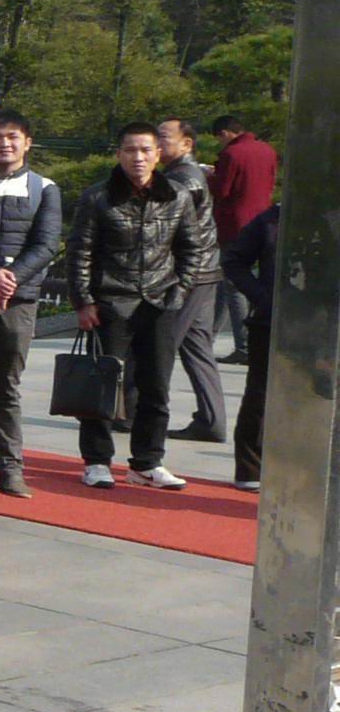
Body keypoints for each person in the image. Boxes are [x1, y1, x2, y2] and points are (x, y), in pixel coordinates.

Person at [70, 123, 214, 491]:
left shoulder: (177, 196)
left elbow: (192, 248)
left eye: (146, 150)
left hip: (160, 302)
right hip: (111, 302)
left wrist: (179, 292)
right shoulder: (98, 197)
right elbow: (80, 253)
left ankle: (147, 462)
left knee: (156, 387)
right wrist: (84, 301)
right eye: (130, 150)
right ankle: (97, 461)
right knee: (103, 385)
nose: (138, 157)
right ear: (118, 154)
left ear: (158, 154)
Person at [0, 111, 62, 497]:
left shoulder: (45, 188)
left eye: (12, 137)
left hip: (19, 302)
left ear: (27, 142)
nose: (4, 144)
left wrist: (10, 279)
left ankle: (10, 468)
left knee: (6, 386)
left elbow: (47, 244)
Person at [155, 118, 227, 442]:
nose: (156, 143)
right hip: (204, 271)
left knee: (162, 343)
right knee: (197, 348)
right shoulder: (185, 174)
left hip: (189, 275)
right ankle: (211, 421)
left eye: (163, 137)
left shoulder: (182, 180)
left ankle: (140, 412)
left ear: (186, 144)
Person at [208, 116, 278, 363]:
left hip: (235, 223)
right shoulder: (267, 150)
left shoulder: (232, 154)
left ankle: (244, 345)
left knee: (232, 282)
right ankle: (208, 336)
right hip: (264, 222)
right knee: (226, 282)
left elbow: (221, 190)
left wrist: (209, 175)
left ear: (225, 133)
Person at [225, 202, 279, 492]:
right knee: (260, 394)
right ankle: (250, 469)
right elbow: (234, 261)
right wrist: (262, 296)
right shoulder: (272, 220)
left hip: (327, 325)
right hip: (272, 321)